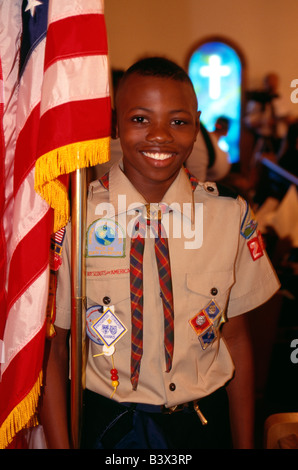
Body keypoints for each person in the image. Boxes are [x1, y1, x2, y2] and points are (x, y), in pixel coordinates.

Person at [39, 57, 280, 450]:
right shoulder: (76, 221)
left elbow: (236, 340)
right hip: (112, 428)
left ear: (197, 123)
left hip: (202, 426)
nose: (160, 136)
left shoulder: (227, 216)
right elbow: (55, 352)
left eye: (179, 121)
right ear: (115, 123)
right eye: (140, 119)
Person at [186, 116, 231, 182]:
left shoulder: (201, 136)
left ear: (215, 125)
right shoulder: (222, 155)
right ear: (226, 132)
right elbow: (194, 186)